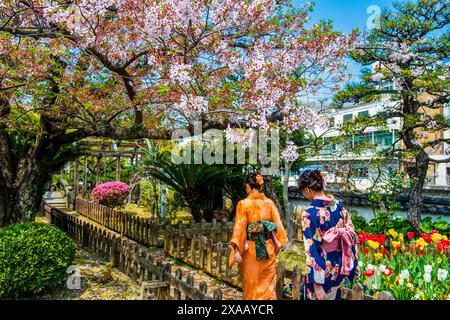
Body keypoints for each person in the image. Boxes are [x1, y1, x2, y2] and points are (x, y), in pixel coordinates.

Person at [298, 170, 358, 300]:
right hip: (340, 266)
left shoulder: (310, 213)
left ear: (307, 189)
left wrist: (317, 284)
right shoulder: (340, 207)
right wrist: (354, 263)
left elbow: (312, 250)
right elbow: (352, 235)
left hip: (324, 270)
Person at [229, 173, 288, 300]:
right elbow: (278, 227)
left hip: (251, 250)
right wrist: (278, 244)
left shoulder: (243, 204)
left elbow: (239, 227)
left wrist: (237, 249)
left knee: (252, 284)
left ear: (248, 186)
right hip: (268, 248)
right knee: (267, 285)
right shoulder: (270, 203)